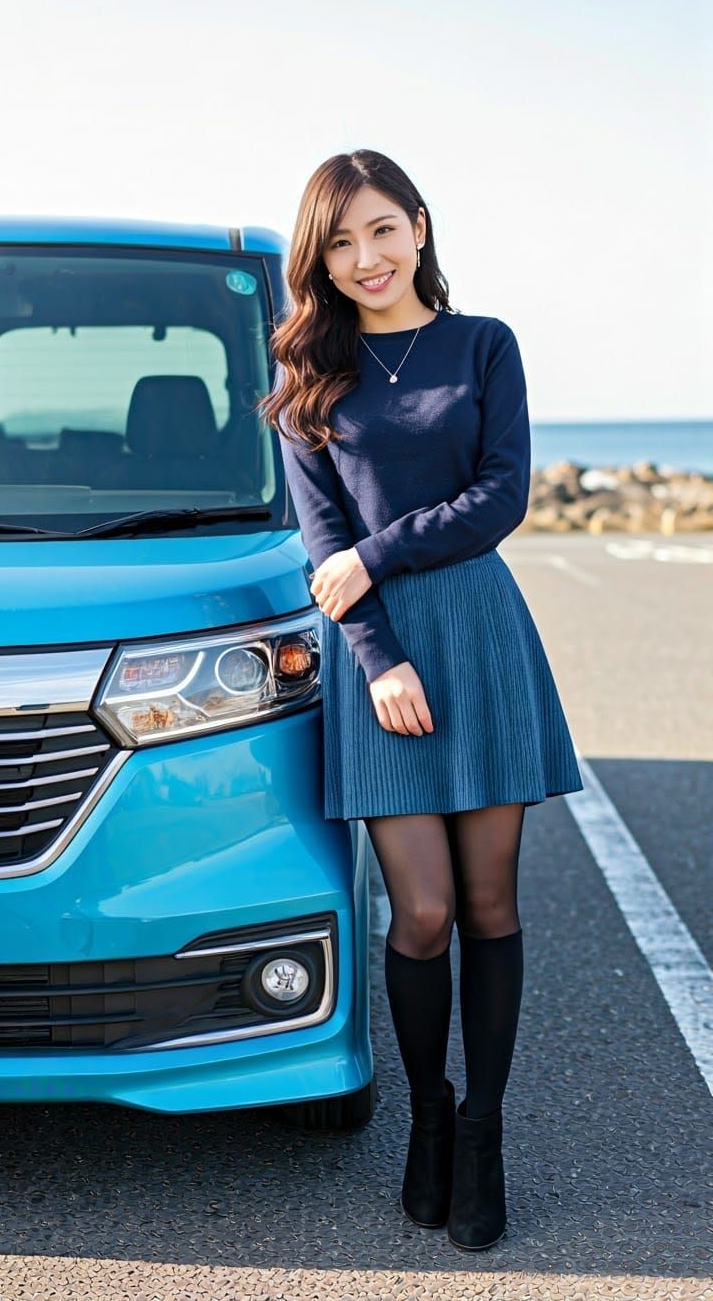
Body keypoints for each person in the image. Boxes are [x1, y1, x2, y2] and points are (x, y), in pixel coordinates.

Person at [257, 148, 584, 1251]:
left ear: (421, 225)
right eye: (341, 242)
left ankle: (483, 1133)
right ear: (322, 259)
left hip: (480, 634)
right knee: (424, 912)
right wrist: (378, 655)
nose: (366, 258)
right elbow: (320, 548)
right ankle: (429, 1119)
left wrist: (380, 554)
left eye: (383, 230)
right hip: (382, 657)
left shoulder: (484, 344)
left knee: (491, 904)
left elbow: (501, 497)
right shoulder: (308, 372)